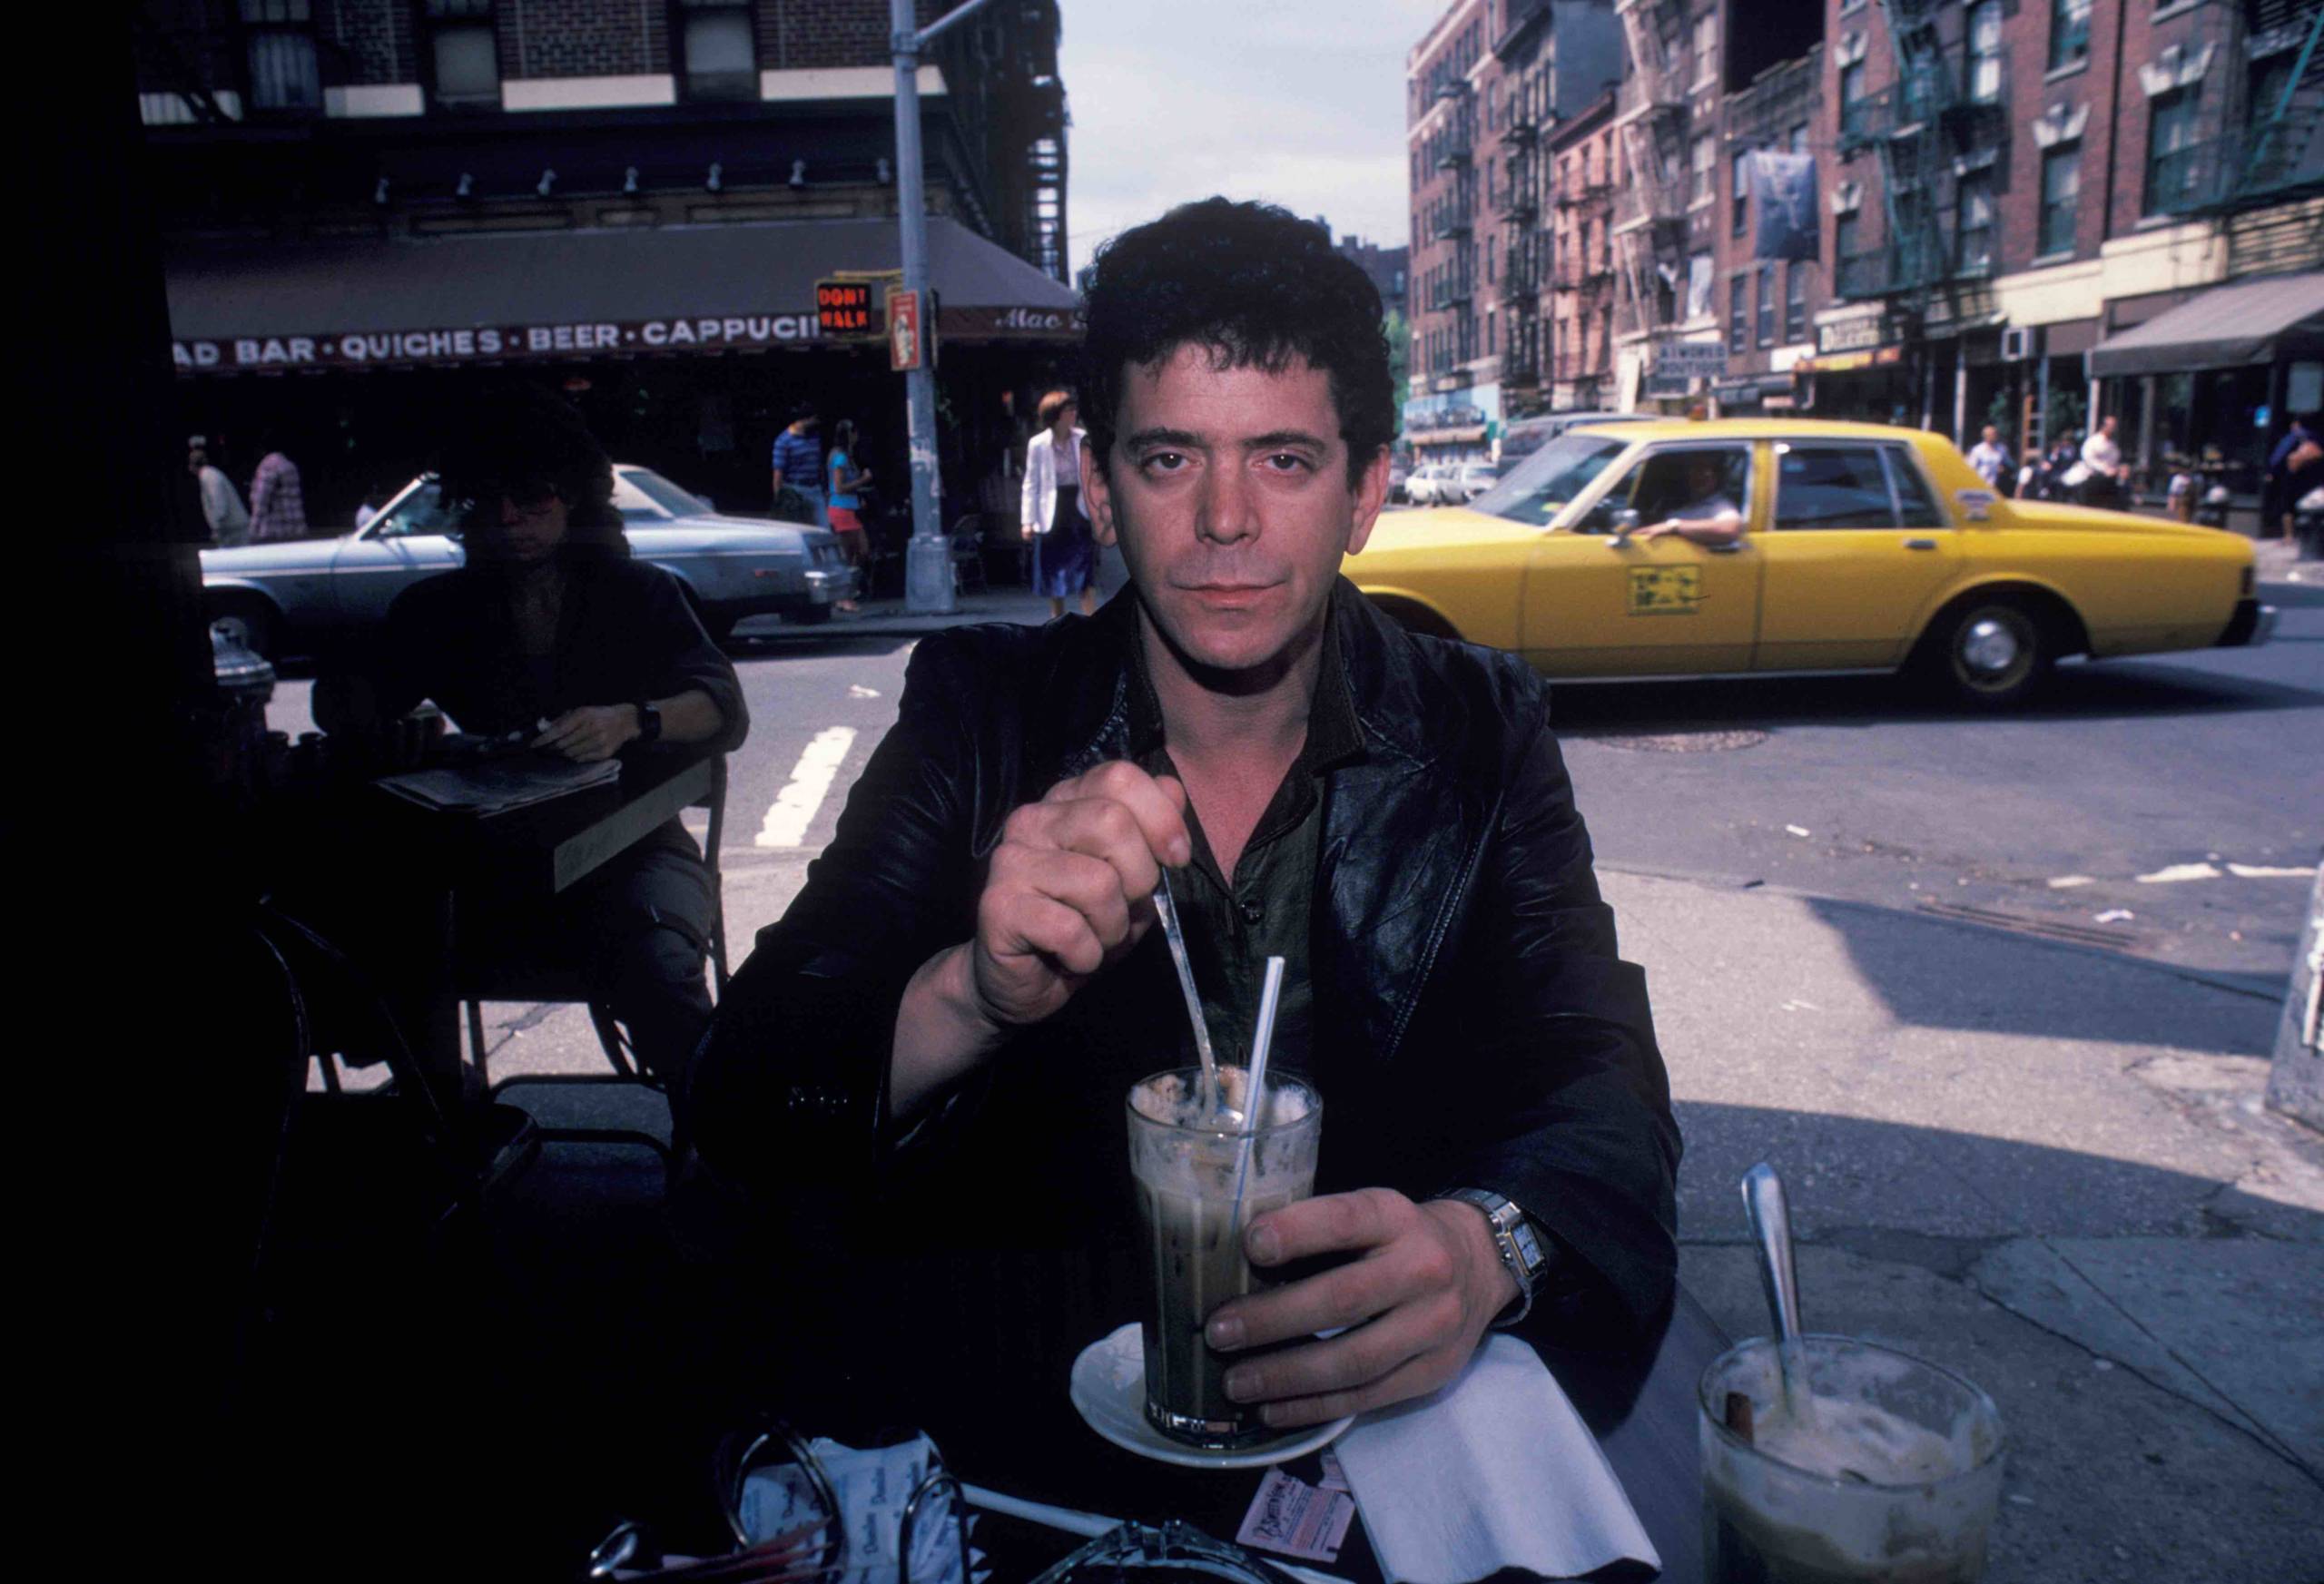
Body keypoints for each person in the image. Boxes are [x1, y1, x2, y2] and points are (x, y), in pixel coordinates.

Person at [690, 198, 1679, 1428]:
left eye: (1283, 459)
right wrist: (971, 995)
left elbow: (1603, 1080)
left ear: (1365, 491)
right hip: (1054, 1425)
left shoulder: (1479, 724)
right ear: (1101, 492)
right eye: (1169, 459)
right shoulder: (983, 715)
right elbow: (741, 1090)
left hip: (1380, 1424)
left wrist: (1489, 1250)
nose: (1224, 519)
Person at [365, 390, 748, 1085]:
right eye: (487, 501)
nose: (508, 519)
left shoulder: (640, 593)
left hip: (635, 850)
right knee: (372, 949)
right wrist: (377, 717)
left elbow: (723, 708)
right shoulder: (438, 609)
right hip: (492, 871)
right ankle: (446, 1112)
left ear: (573, 496)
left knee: (661, 970)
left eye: (531, 497)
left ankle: (715, 1127)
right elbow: (354, 699)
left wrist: (632, 719)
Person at [1020, 389, 1100, 617]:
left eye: (1074, 409)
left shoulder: (1082, 438)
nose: (1074, 414)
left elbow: (1095, 476)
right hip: (1052, 513)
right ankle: (1058, 624)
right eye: (1068, 410)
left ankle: (1092, 623)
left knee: (1085, 572)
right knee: (1054, 573)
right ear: (1055, 415)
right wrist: (1027, 521)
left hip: (1079, 509)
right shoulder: (1038, 444)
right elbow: (1031, 483)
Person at [1634, 452, 1745, 546]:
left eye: (1706, 471)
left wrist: (1674, 525)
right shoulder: (1682, 500)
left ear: (1717, 476)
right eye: (1696, 469)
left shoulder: (1719, 505)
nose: (1700, 476)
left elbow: (1729, 529)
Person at [825, 419, 872, 613]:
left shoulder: (846, 456)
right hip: (841, 510)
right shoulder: (840, 458)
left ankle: (846, 593)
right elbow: (839, 487)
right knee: (849, 554)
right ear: (849, 434)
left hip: (850, 508)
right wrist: (863, 480)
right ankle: (842, 597)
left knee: (860, 551)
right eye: (854, 432)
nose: (857, 436)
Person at [2265, 413, 2324, 541]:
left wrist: (2271, 471)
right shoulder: (2317, 438)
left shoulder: (2293, 437)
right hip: (2314, 479)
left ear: (2295, 424)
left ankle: (2289, 536)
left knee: (2288, 506)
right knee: (2311, 504)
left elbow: (2279, 456)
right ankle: (2309, 535)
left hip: (2294, 476)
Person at [771, 403, 827, 527]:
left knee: (823, 527)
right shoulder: (784, 440)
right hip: (796, 489)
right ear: (806, 419)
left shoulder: (815, 437)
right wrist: (779, 500)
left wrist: (824, 486)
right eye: (815, 419)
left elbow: (819, 463)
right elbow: (778, 473)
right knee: (799, 527)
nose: (817, 422)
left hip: (815, 488)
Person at [248, 438, 309, 543]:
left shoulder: (268, 466)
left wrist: (253, 529)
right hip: (296, 527)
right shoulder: (290, 465)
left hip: (275, 530)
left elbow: (261, 501)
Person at [190, 444, 250, 546]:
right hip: (231, 527)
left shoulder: (209, 477)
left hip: (232, 528)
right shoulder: (210, 475)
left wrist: (217, 527)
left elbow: (219, 503)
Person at [2077, 415, 2129, 507]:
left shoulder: (2113, 445)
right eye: (2110, 426)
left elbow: (2114, 462)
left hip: (2109, 481)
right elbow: (2089, 460)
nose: (2113, 429)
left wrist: (2120, 469)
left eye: (2114, 426)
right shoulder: (2093, 441)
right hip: (2091, 479)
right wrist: (2105, 469)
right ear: (2103, 426)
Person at [1965, 424, 2011, 495]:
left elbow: (2009, 463)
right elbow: (1971, 468)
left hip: (1996, 485)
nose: (1994, 436)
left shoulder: (2002, 449)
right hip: (1980, 484)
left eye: (1995, 434)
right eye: (1991, 435)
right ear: (1985, 436)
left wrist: (2004, 468)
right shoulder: (1978, 450)